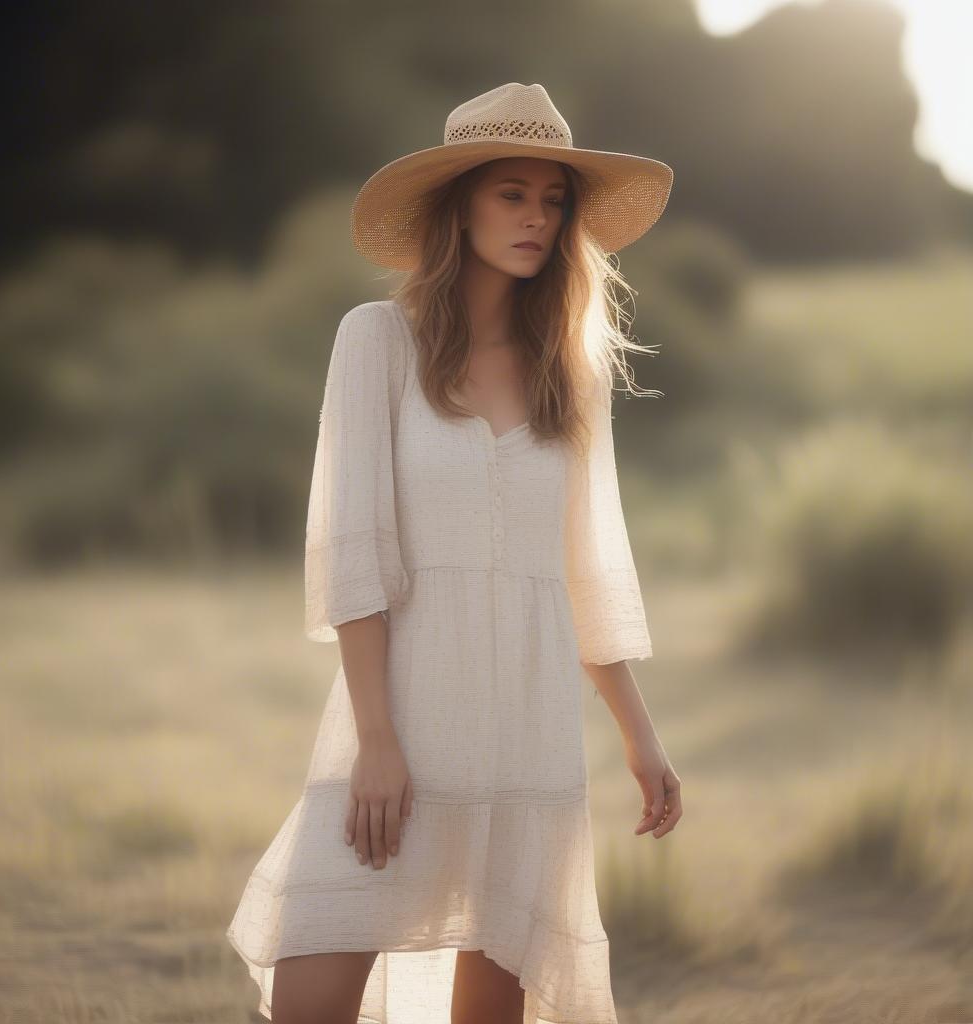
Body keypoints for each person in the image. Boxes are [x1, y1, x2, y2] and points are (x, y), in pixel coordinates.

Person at [226, 81, 683, 1024]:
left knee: (494, 1004)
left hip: (530, 727)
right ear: (460, 203)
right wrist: (379, 741)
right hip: (405, 718)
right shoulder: (376, 342)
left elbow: (587, 570)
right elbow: (354, 555)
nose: (538, 218)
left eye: (553, 200)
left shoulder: (570, 371)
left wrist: (641, 736)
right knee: (308, 998)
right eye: (512, 193)